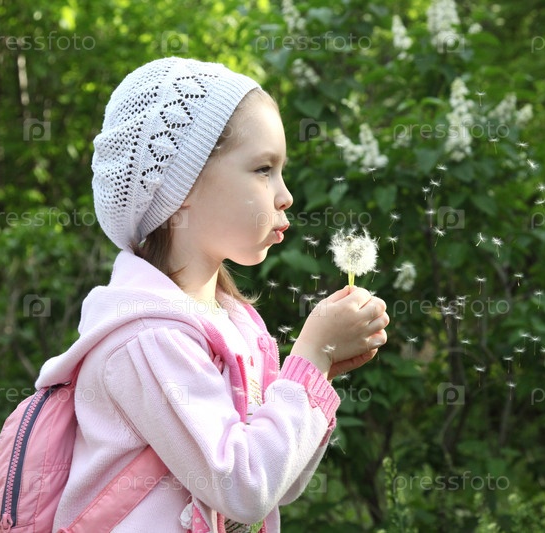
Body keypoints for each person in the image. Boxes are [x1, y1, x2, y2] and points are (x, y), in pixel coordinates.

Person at [35, 57, 389, 533]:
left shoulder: (233, 322)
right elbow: (243, 488)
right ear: (182, 186)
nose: (285, 195)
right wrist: (311, 355)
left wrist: (315, 374)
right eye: (263, 169)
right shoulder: (148, 339)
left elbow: (275, 485)